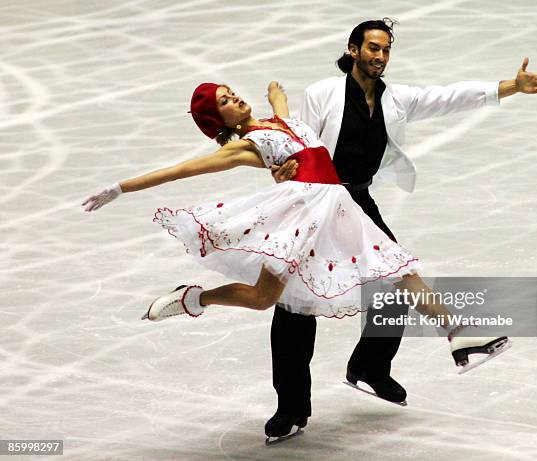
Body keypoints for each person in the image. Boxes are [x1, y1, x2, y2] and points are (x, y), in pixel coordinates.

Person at [81, 80, 507, 439]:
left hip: (339, 208)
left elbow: (282, 107)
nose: (234, 99)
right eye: (224, 103)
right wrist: (121, 188)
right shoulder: (245, 147)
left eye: (231, 92)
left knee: (399, 270)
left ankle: (461, 337)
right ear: (220, 123)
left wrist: (274, 94)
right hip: (300, 216)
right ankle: (196, 299)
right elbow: (181, 170)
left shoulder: (278, 116)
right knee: (265, 298)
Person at [265, 18, 537, 437]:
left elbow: (449, 98)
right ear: (353, 50)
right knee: (296, 306)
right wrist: (283, 173)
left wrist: (510, 87)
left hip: (357, 202)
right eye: (372, 48)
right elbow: (295, 142)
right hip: (314, 205)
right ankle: (290, 408)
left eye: (385, 49)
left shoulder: (394, 98)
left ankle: (369, 366)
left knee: (396, 281)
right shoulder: (322, 93)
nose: (380, 56)